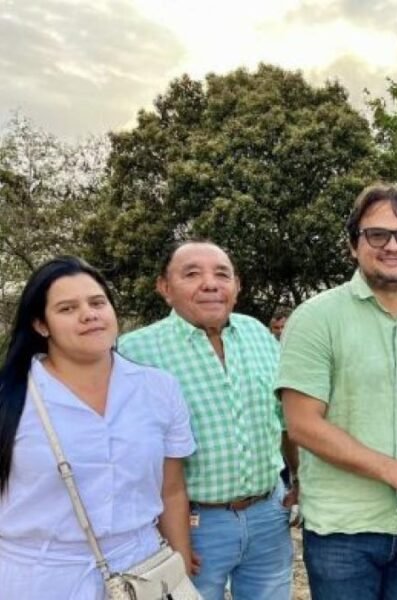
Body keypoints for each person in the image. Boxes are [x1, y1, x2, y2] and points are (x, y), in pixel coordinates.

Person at [275, 184, 397, 600]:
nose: (393, 246)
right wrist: (392, 470)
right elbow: (302, 424)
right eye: (377, 235)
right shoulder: (316, 318)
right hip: (344, 534)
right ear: (353, 244)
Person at [0, 256, 196, 599]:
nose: (89, 314)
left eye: (97, 303)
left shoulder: (158, 388)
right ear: (41, 325)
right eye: (67, 308)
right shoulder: (10, 398)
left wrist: (179, 574)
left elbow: (172, 491)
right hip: (37, 577)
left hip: (142, 571)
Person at [117, 241, 295, 600]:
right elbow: (125, 453)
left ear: (237, 286)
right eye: (192, 274)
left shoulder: (258, 334)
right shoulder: (134, 351)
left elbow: (285, 417)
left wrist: (300, 477)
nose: (210, 284)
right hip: (193, 525)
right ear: (164, 287)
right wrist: (165, 535)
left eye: (222, 274)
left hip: (268, 515)